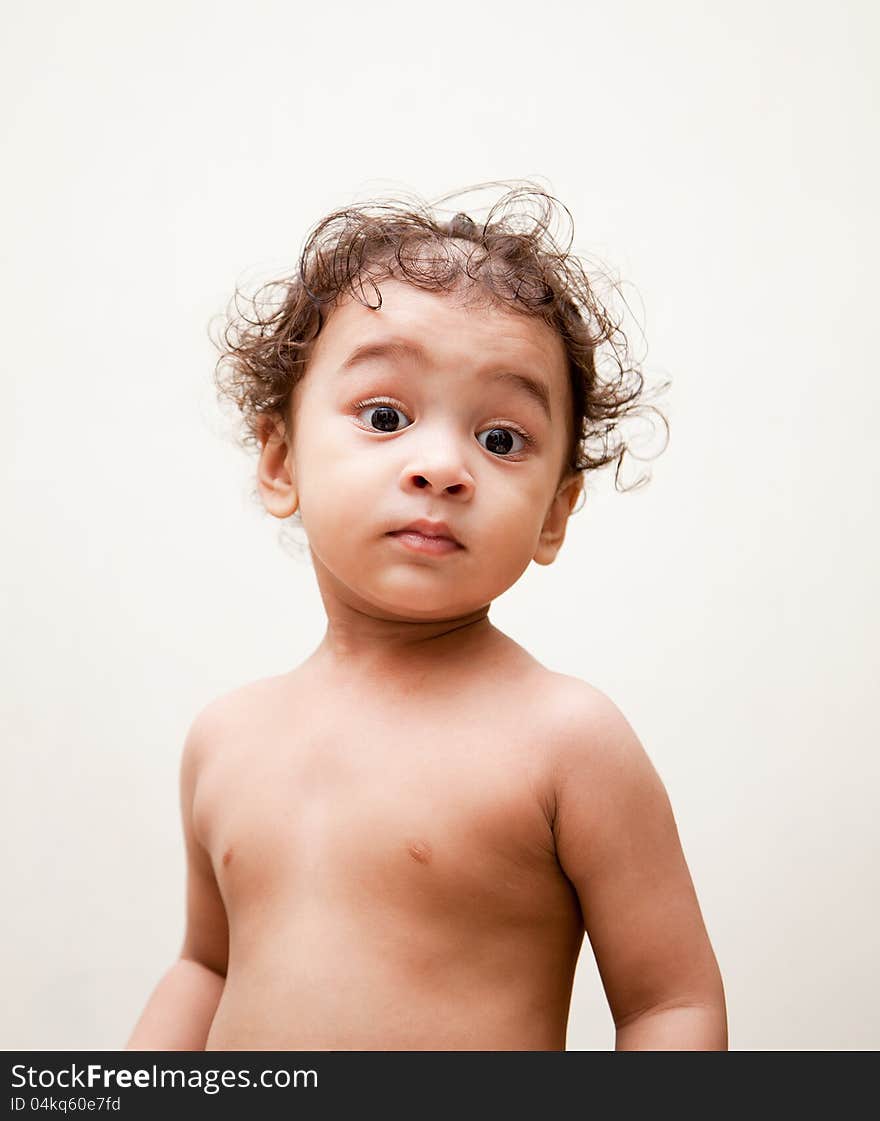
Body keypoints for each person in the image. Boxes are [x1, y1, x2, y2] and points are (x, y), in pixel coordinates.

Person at [126, 182, 727, 1051]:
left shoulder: (567, 740)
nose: (442, 466)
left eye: (500, 438)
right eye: (385, 416)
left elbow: (671, 1004)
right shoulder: (225, 738)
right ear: (280, 459)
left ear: (555, 512)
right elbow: (207, 967)